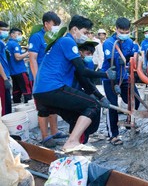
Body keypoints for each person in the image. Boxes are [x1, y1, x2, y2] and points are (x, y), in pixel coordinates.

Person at [33, 15, 116, 153]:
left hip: (41, 93)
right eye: (85, 32)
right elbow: (83, 71)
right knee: (92, 105)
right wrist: (105, 74)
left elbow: (82, 78)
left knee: (76, 117)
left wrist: (100, 96)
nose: (86, 36)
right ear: (75, 29)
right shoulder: (67, 41)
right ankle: (72, 142)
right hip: (52, 88)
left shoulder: (64, 46)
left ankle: (75, 149)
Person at [101, 17, 140, 146]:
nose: (124, 34)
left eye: (126, 32)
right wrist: (120, 60)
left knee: (135, 99)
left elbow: (135, 56)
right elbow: (110, 61)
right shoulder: (109, 43)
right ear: (116, 29)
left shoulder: (129, 42)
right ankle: (113, 135)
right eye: (121, 32)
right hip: (110, 78)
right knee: (112, 105)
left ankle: (130, 120)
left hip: (124, 77)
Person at [28, 11, 64, 148]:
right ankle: (45, 136)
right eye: (54, 25)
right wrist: (38, 80)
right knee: (43, 108)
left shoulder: (54, 37)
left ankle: (54, 131)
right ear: (46, 24)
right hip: (41, 79)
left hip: (52, 78)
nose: (56, 28)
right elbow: (33, 59)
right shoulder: (36, 37)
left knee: (53, 106)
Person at [6, 28, 32, 103]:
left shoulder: (8, 44)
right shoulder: (15, 44)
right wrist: (28, 52)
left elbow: (13, 59)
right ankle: (28, 105)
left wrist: (25, 60)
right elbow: (17, 57)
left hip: (13, 72)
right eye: (18, 34)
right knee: (27, 89)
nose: (20, 36)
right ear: (12, 34)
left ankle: (16, 105)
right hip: (20, 71)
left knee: (16, 90)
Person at [0, 21, 12, 115]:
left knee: (7, 100)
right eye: (3, 30)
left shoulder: (1, 42)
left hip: (5, 74)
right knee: (5, 101)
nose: (5, 32)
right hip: (2, 76)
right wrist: (5, 79)